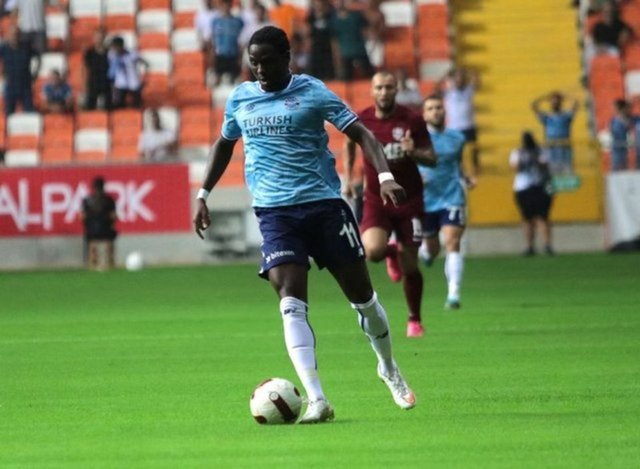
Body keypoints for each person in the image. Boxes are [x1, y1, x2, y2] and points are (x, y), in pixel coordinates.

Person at [193, 26, 416, 424]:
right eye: (254, 62)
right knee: (290, 302)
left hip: (324, 207)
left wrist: (385, 177)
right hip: (275, 214)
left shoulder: (312, 91)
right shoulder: (241, 97)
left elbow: (362, 133)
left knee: (363, 299)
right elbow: (224, 144)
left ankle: (388, 367)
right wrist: (202, 194)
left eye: (268, 61)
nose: (260, 69)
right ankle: (317, 399)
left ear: (287, 57)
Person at [344, 71, 436, 338]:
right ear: (372, 91)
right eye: (379, 88)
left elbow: (432, 158)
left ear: (397, 90)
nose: (384, 92)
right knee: (372, 251)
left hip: (409, 201)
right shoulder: (362, 119)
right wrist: (349, 178)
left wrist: (413, 152)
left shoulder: (412, 120)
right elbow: (349, 143)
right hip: (376, 199)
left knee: (411, 267)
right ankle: (390, 253)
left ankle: (414, 319)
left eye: (389, 87)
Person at [419, 94, 473, 310]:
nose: (435, 112)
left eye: (438, 107)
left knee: (452, 241)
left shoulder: (457, 138)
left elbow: (458, 164)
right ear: (424, 114)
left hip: (452, 196)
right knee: (433, 249)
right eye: (431, 108)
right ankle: (426, 252)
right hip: (426, 199)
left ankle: (453, 293)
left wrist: (466, 178)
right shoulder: (417, 139)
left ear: (444, 111)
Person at [509, 131, 554, 256]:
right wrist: (524, 160)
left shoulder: (541, 151)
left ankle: (547, 245)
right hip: (523, 187)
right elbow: (514, 167)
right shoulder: (518, 152)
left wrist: (534, 159)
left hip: (539, 186)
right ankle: (529, 246)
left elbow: (546, 165)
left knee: (543, 217)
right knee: (527, 218)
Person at [438, 67, 481, 175]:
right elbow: (436, 89)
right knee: (456, 150)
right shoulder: (448, 92)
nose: (459, 80)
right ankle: (458, 169)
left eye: (461, 78)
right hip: (454, 127)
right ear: (453, 80)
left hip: (468, 125)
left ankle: (476, 167)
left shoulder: (468, 90)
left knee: (474, 148)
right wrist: (444, 77)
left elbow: (477, 82)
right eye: (457, 78)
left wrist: (470, 72)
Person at [531, 91, 579, 175]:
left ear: (560, 103)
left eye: (557, 102)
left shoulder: (566, 115)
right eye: (552, 102)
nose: (554, 104)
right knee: (553, 172)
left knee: (567, 171)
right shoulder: (547, 117)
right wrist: (545, 97)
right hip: (551, 147)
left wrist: (564, 96)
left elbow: (576, 103)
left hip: (564, 147)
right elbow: (534, 106)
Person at [330, 0, 374, 81]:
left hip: (360, 51)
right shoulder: (333, 20)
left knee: (369, 77)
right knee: (346, 79)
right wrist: (337, 56)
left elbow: (368, 30)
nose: (341, 3)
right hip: (345, 54)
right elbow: (334, 40)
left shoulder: (356, 16)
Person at [81, 176, 118, 271]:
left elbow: (82, 217)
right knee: (111, 235)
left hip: (91, 232)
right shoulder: (109, 200)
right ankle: (110, 262)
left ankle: (92, 263)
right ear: (103, 187)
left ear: (93, 187)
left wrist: (88, 223)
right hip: (106, 231)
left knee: (91, 242)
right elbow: (113, 216)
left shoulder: (87, 201)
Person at [0, 26, 39, 115]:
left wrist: (35, 73)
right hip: (11, 84)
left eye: (17, 34)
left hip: (25, 84)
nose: (15, 37)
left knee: (29, 112)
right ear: (8, 35)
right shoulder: (4, 48)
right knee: (9, 113)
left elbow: (38, 57)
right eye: (13, 35)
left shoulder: (26, 47)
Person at [210, 0, 244, 86]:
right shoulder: (216, 21)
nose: (226, 7)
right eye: (224, 5)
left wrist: (240, 56)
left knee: (235, 80)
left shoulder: (238, 21)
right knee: (217, 79)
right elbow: (213, 40)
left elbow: (241, 40)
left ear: (231, 5)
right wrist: (212, 56)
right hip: (220, 55)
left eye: (228, 5)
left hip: (233, 54)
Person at [108, 36, 149, 109]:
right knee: (119, 107)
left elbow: (145, 64)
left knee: (136, 105)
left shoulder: (132, 54)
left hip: (133, 83)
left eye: (116, 46)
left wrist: (144, 78)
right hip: (120, 84)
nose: (115, 49)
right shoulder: (112, 55)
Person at [83, 29, 112, 110]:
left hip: (106, 82)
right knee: (90, 106)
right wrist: (84, 85)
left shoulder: (109, 52)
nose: (99, 40)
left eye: (101, 37)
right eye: (97, 37)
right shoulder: (89, 52)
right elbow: (85, 68)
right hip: (93, 82)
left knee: (108, 106)